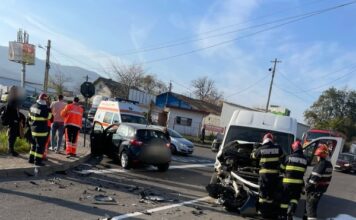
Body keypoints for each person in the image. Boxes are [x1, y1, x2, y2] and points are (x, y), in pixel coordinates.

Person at [251, 133, 284, 218]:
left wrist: (255, 148)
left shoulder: (261, 149)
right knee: (271, 194)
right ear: (272, 140)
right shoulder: (278, 148)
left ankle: (262, 212)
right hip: (274, 175)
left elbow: (253, 156)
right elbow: (283, 157)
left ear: (264, 140)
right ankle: (269, 212)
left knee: (263, 194)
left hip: (264, 175)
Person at [279, 140, 307, 220]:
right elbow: (303, 171)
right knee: (294, 198)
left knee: (284, 200)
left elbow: (281, 168)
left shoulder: (288, 157)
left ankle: (283, 215)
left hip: (287, 183)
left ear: (294, 148)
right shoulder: (305, 159)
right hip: (298, 184)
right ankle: (290, 211)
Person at [304, 144, 333, 220]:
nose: (317, 157)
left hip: (314, 191)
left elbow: (314, 179)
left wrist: (306, 188)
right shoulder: (329, 165)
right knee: (310, 209)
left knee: (311, 211)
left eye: (317, 156)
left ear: (320, 155)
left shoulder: (321, 164)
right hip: (320, 191)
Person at [28, 93, 53, 166]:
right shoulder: (44, 108)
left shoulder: (32, 106)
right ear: (45, 100)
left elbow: (29, 118)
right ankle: (37, 161)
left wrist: (31, 125)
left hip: (33, 130)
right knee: (40, 146)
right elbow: (50, 117)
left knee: (33, 145)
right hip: (41, 131)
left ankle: (31, 159)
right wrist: (49, 110)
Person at [1, 86, 21, 156]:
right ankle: (11, 150)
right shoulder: (13, 99)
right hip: (13, 120)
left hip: (11, 119)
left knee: (12, 134)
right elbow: (14, 110)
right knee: (12, 135)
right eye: (16, 91)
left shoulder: (10, 97)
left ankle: (10, 149)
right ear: (14, 91)